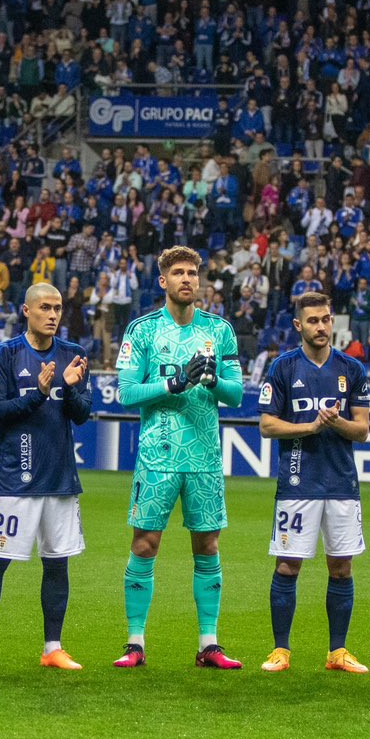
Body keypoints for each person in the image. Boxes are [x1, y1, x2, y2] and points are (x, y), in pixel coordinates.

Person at [114, 245, 246, 669]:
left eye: (193, 272)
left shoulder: (219, 330)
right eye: (179, 273)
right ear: (163, 281)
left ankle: (209, 644)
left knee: (207, 545)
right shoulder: (141, 330)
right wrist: (172, 385)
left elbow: (237, 394)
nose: (187, 279)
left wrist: (212, 380)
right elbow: (126, 393)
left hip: (205, 456)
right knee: (145, 544)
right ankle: (135, 644)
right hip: (157, 456)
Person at [0, 281, 93, 671]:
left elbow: (82, 414)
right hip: (15, 480)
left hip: (60, 479)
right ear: (27, 311)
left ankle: (52, 648)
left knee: (57, 564)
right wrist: (38, 394)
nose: (53, 315)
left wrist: (70, 390)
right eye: (45, 307)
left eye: (57, 308)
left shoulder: (73, 355)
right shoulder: (4, 354)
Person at [255, 291, 370, 675]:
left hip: (342, 485)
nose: (321, 327)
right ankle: (280, 651)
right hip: (297, 483)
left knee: (342, 567)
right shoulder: (282, 368)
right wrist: (311, 425)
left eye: (326, 320)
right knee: (288, 566)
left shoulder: (352, 370)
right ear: (298, 326)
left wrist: (336, 422)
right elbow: (267, 424)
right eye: (313, 321)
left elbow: (363, 431)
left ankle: (338, 653)